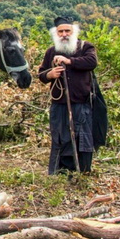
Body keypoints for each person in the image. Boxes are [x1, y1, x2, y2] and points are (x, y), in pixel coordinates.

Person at [38, 16, 97, 174]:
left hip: (81, 103)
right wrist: (50, 74)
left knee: (82, 138)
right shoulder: (51, 51)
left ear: (73, 32)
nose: (64, 34)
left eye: (67, 31)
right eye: (60, 31)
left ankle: (82, 172)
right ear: (56, 34)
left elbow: (92, 62)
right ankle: (59, 172)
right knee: (59, 137)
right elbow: (41, 74)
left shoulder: (85, 47)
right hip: (59, 104)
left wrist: (69, 61)